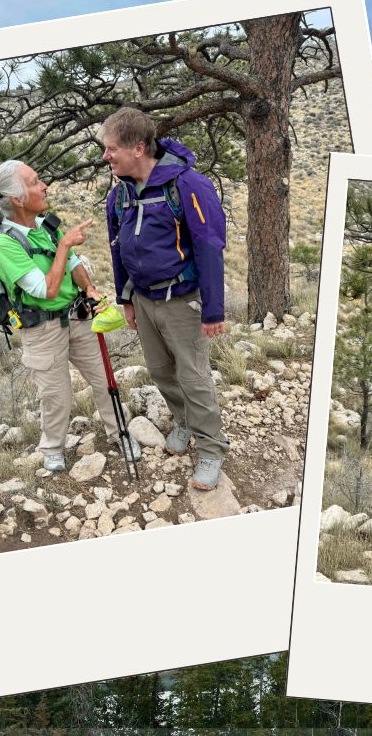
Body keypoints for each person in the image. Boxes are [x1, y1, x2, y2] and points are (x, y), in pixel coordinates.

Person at [0, 159, 142, 473]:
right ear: (17, 199)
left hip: (78, 316)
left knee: (105, 379)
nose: (44, 185)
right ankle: (52, 449)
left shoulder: (47, 224)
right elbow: (44, 290)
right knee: (56, 393)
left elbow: (74, 264)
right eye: (35, 182)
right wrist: (63, 245)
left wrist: (88, 288)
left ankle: (120, 432)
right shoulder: (3, 244)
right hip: (41, 329)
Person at [100, 107, 229, 490]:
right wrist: (126, 300)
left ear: (138, 148)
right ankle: (184, 421)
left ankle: (211, 449)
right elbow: (117, 247)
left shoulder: (188, 185)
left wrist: (213, 310)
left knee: (194, 376)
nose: (105, 157)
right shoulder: (119, 194)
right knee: (159, 370)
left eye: (111, 150)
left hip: (182, 300)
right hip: (143, 299)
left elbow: (209, 247)